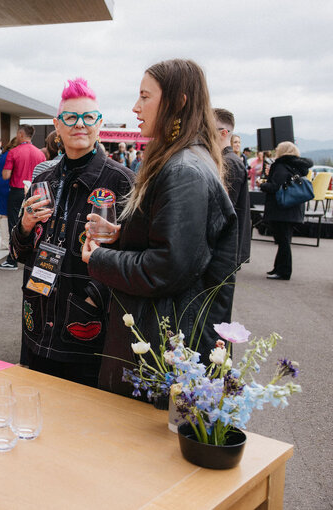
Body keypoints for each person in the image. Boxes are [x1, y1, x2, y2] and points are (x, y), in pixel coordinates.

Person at [81, 58, 238, 397]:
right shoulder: (184, 161)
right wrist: (123, 236)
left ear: (178, 102)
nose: (136, 107)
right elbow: (179, 245)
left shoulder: (184, 170)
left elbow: (166, 268)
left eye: (145, 97)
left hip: (164, 346)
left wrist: (98, 258)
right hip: (163, 340)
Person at [10, 77, 134, 386]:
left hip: (87, 329)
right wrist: (25, 225)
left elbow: (134, 258)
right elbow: (18, 252)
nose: (80, 125)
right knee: (37, 408)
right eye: (71, 118)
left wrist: (93, 299)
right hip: (37, 319)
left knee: (82, 423)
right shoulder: (45, 178)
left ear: (99, 123)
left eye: (88, 117)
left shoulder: (123, 182)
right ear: (57, 125)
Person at [258, 141, 313, 280]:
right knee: (285, 240)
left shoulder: (281, 165)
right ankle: (278, 268)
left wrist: (262, 184)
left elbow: (275, 187)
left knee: (283, 241)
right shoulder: (296, 166)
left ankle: (284, 271)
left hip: (281, 210)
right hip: (293, 208)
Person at [0, 124, 45, 270]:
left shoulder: (14, 152)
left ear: (21, 134)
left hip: (17, 191)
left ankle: (12, 259)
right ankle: (32, 256)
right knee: (35, 224)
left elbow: (6, 175)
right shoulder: (40, 153)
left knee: (15, 224)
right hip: (35, 192)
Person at [215, 108, 251, 266]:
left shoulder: (229, 162)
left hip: (225, 247)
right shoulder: (227, 160)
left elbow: (226, 207)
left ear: (223, 133)